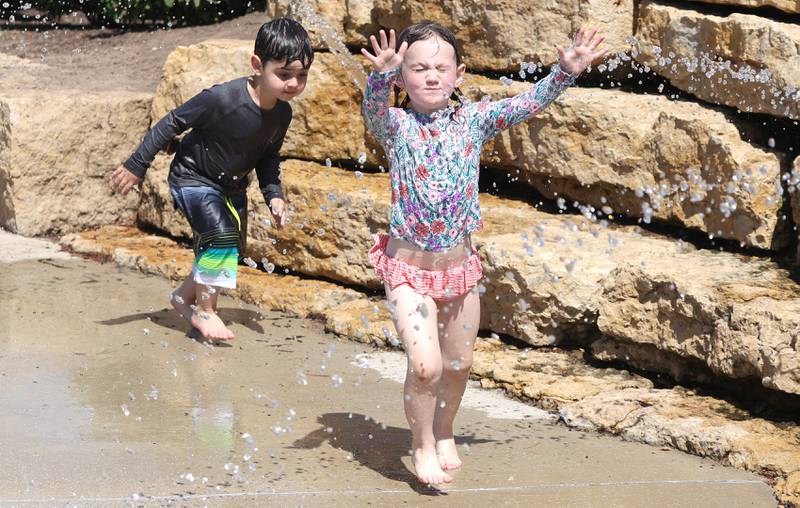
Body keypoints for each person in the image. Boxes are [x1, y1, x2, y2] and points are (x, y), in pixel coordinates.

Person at [361, 22, 606, 485]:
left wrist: (564, 73)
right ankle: (421, 444)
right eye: (417, 68)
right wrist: (379, 77)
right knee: (426, 366)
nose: (430, 76)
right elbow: (372, 112)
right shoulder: (396, 126)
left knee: (459, 364)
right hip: (407, 271)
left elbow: (526, 103)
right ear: (401, 78)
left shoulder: (473, 120)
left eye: (440, 67)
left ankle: (445, 428)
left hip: (459, 270)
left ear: (459, 75)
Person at [110, 18, 313, 341]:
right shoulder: (223, 99)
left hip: (231, 186)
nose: (293, 84)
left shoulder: (281, 114)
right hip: (192, 178)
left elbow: (268, 156)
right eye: (284, 74)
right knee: (219, 239)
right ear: (257, 65)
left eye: (302, 76)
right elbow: (172, 122)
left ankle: (182, 298)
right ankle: (205, 311)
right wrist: (137, 164)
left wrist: (273, 193)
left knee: (229, 248)